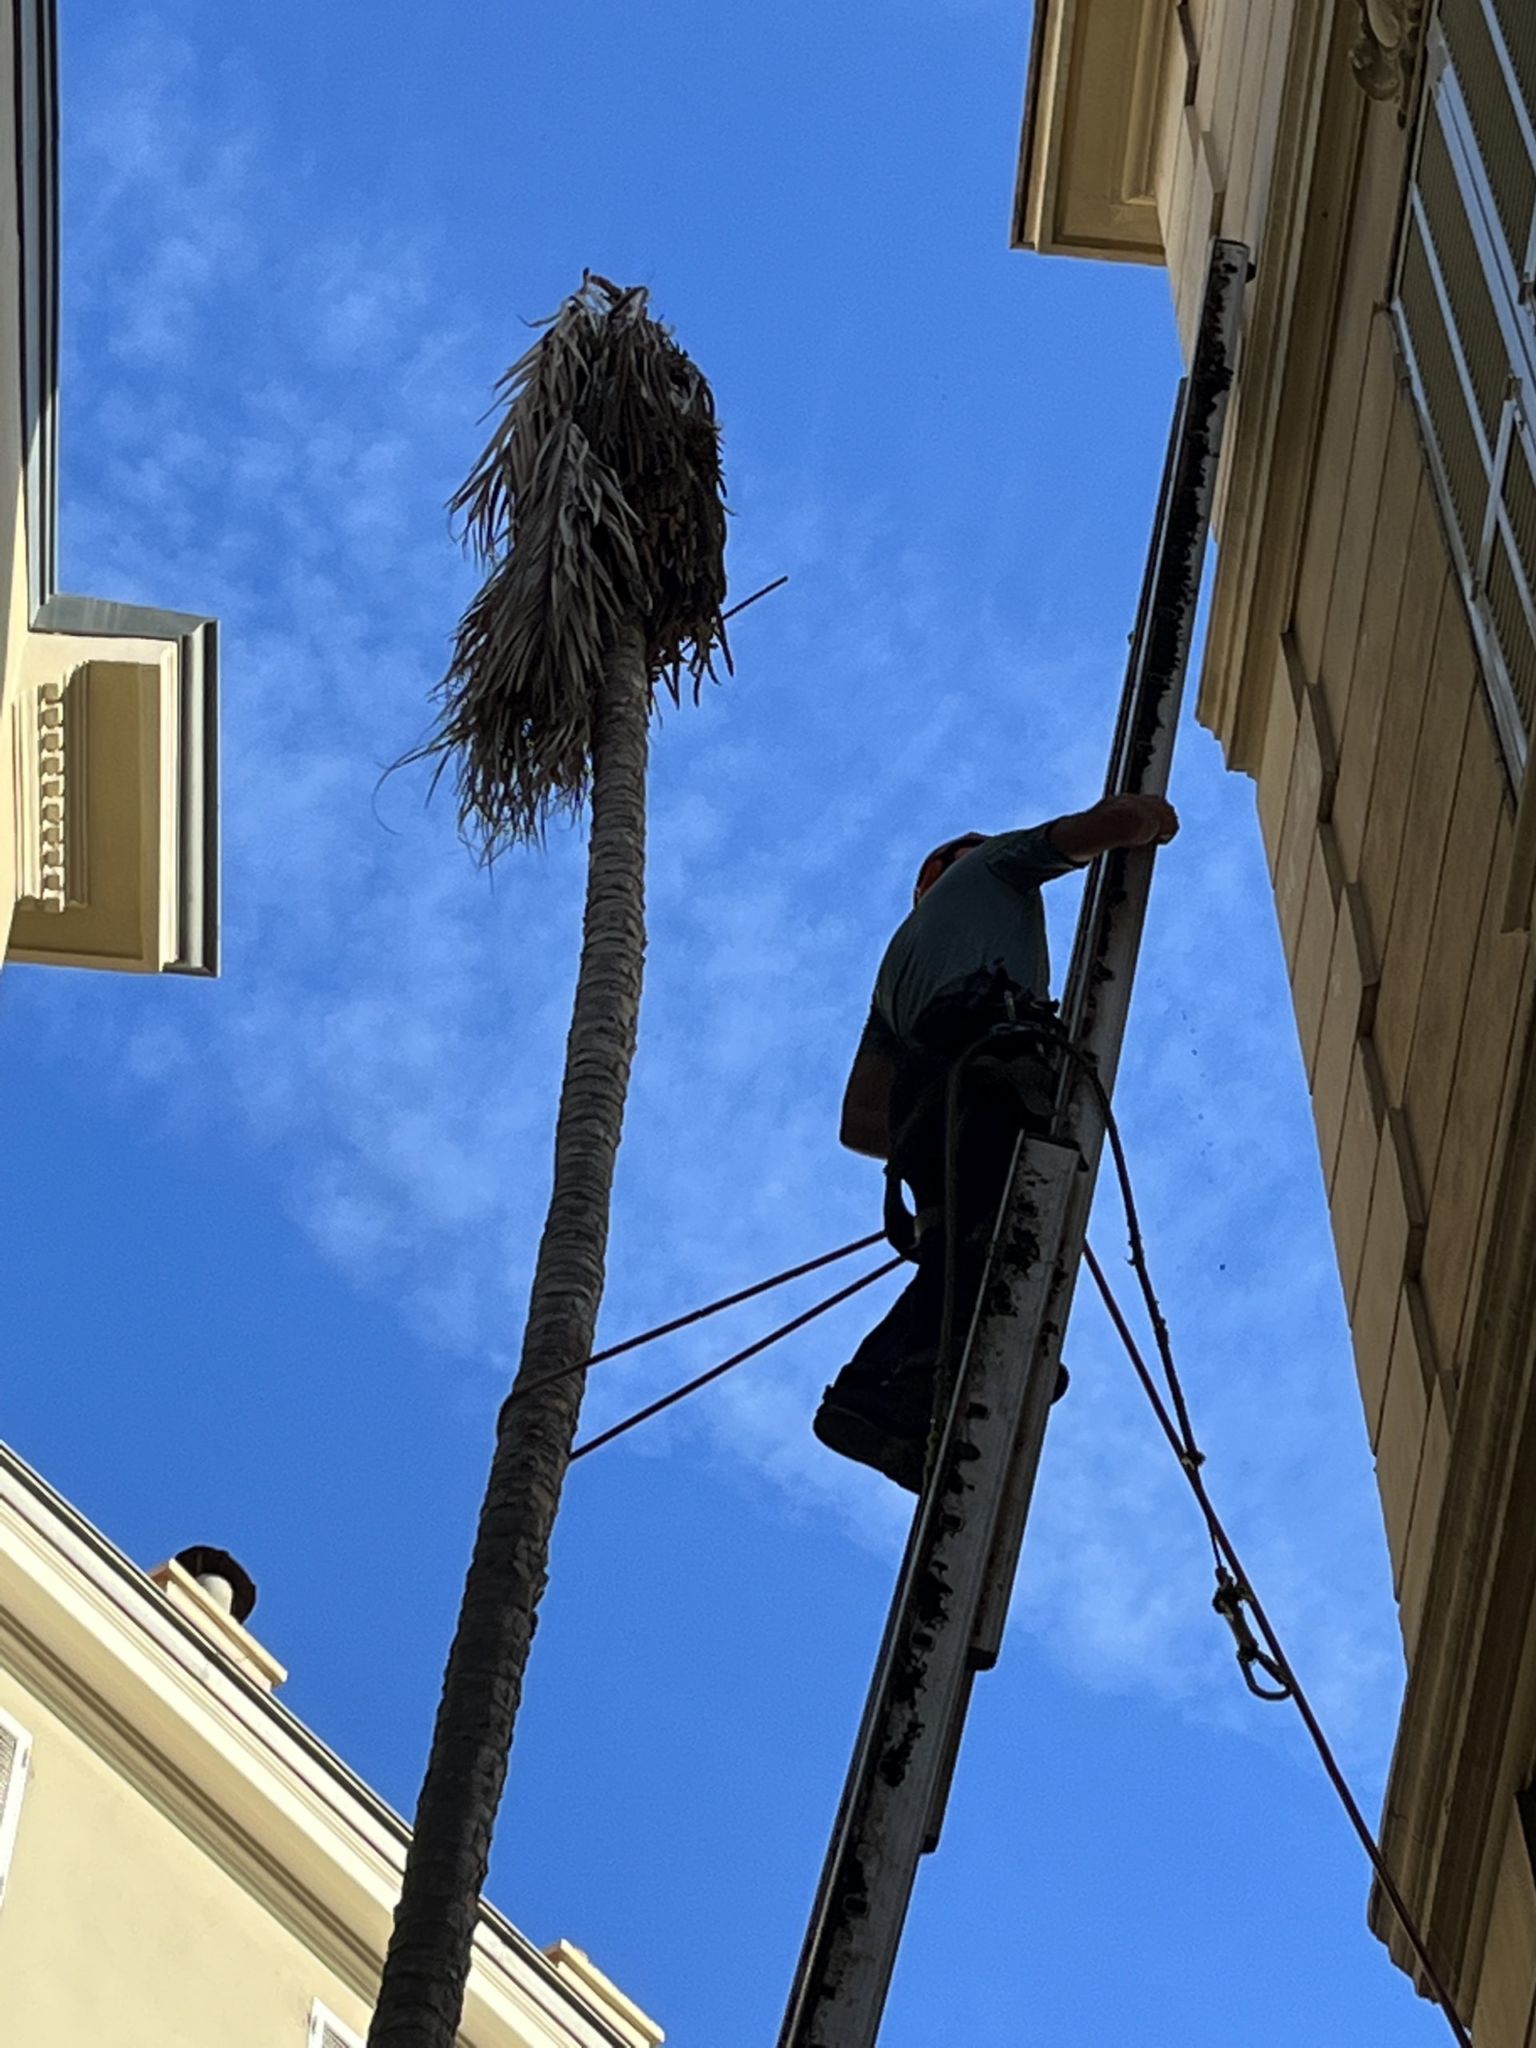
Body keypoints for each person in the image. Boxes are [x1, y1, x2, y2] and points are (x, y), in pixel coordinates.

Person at [814, 792, 1180, 1491]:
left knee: (963, 1251)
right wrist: (1153, 819)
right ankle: (884, 1390)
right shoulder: (988, 867)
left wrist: (932, 1134)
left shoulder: (895, 974)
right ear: (946, 867)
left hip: (933, 1102)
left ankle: (882, 1399)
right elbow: (1111, 828)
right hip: (986, 1065)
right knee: (988, 1250)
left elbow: (859, 1122)